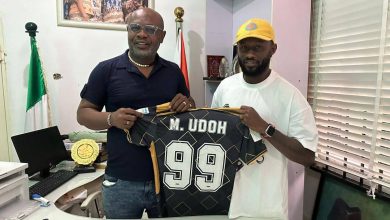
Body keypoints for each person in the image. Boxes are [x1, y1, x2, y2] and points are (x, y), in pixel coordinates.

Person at [76, 8, 195, 219]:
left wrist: (187, 103)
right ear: (128, 30)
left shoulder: (173, 71)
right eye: (135, 27)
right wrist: (111, 118)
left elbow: (190, 107)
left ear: (162, 36)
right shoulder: (106, 70)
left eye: (151, 29)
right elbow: (83, 113)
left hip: (169, 180)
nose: (142, 34)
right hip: (122, 182)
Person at [211, 18, 318, 219]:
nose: (250, 54)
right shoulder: (225, 87)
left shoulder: (290, 96)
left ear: (272, 49)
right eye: (244, 48)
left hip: (266, 210)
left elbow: (307, 156)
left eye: (258, 47)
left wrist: (265, 129)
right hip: (223, 203)